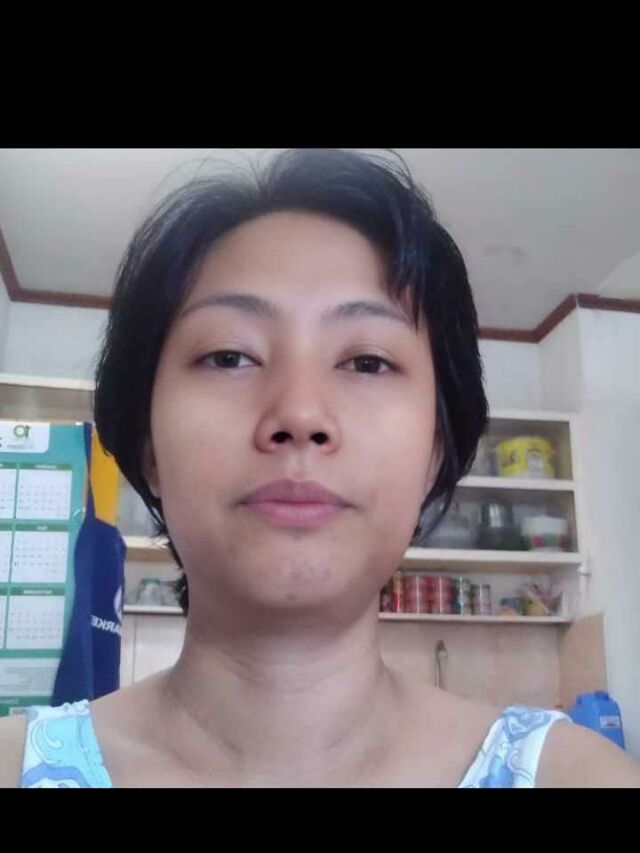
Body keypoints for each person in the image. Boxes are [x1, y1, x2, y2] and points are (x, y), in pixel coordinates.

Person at [1, 148, 639, 788]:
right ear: (148, 446)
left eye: (367, 362)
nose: (300, 414)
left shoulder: (572, 775)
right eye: (229, 356)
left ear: (434, 453)